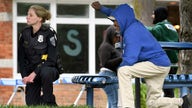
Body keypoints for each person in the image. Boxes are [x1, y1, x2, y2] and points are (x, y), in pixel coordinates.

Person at [92, 1, 192, 108]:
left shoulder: (132, 32)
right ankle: (182, 102)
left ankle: (128, 106)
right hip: (161, 65)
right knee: (152, 103)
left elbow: (130, 59)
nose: (114, 25)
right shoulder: (131, 23)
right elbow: (116, 13)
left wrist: (116, 66)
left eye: (116, 22)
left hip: (156, 64)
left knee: (124, 70)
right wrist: (101, 8)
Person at [18, 5, 59, 106]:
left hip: (48, 70)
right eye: (27, 15)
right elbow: (21, 57)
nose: (27, 17)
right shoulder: (24, 33)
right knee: (31, 104)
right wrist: (25, 76)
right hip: (32, 74)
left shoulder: (49, 33)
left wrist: (34, 73)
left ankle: (48, 101)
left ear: (40, 18)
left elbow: (51, 59)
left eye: (31, 15)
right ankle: (50, 102)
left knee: (46, 72)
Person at [147, 7, 179, 97]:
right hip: (173, 64)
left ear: (158, 15)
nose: (152, 16)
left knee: (164, 89)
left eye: (154, 14)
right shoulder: (171, 27)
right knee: (168, 89)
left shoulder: (161, 28)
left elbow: (153, 32)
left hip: (164, 64)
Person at [97, 25, 122, 108]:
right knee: (114, 103)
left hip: (110, 76)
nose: (117, 39)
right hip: (107, 75)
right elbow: (105, 63)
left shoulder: (111, 46)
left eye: (119, 37)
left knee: (112, 102)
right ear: (110, 36)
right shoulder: (105, 47)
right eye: (116, 37)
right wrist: (121, 59)